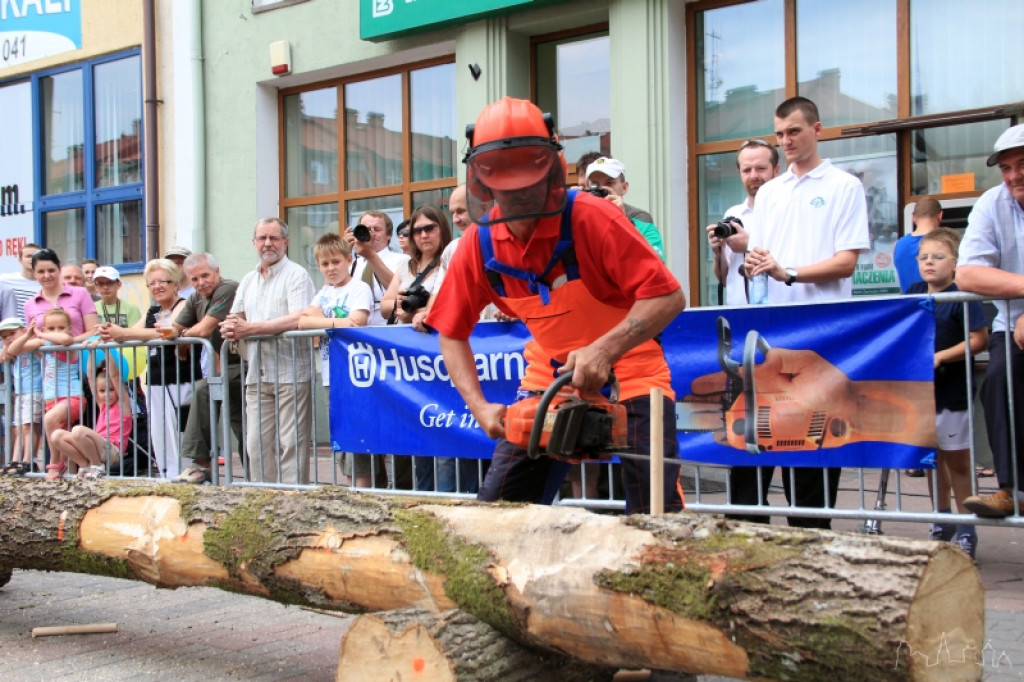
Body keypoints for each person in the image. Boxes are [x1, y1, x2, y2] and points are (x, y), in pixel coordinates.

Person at [427, 96, 685, 515]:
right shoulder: (479, 243)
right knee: (497, 513)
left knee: (656, 511)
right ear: (483, 184)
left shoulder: (592, 217)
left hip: (634, 372)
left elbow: (668, 296)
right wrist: (479, 406)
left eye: (528, 186)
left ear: (550, 170)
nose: (519, 199)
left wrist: (604, 350)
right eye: (507, 188)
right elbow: (451, 332)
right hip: (547, 380)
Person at [742, 96, 870, 529]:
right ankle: (752, 537)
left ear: (817, 129)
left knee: (813, 441)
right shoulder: (769, 192)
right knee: (764, 435)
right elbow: (759, 261)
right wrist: (754, 266)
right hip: (773, 332)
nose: (786, 140)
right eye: (780, 134)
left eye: (794, 131)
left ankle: (812, 537)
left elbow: (846, 262)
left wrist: (788, 272)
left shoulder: (843, 186)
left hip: (823, 331)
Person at [905, 227, 987, 558]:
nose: (929, 262)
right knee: (932, 459)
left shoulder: (962, 295)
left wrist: (941, 356)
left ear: (955, 263)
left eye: (937, 257)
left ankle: (967, 527)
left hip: (952, 393)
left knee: (957, 461)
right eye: (923, 257)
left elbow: (978, 339)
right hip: (922, 394)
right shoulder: (913, 291)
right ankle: (941, 519)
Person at [957, 123, 1024, 519]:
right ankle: (1011, 488)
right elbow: (968, 274)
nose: (1014, 175)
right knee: (998, 381)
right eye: (1006, 167)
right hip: (1011, 326)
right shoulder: (991, 203)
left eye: (1022, 164)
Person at [221, 217, 316, 485]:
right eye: (262, 238)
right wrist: (230, 327)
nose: (267, 243)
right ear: (253, 243)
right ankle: (264, 499)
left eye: (273, 238)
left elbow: (299, 318)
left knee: (292, 445)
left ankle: (293, 500)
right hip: (257, 373)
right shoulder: (249, 279)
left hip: (291, 372)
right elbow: (236, 316)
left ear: (285, 242)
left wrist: (250, 329)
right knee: (256, 445)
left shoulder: (297, 275)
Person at [100, 259, 200, 480]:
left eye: (163, 281)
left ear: (175, 284)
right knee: (160, 432)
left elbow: (166, 332)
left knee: (180, 431)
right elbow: (130, 334)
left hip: (180, 378)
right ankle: (166, 476)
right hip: (155, 379)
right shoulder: (152, 311)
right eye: (152, 283)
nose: (157, 287)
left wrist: (123, 333)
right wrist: (105, 334)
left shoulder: (183, 306)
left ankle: (184, 475)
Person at [382, 204, 452, 492]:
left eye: (430, 228)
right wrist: (401, 304)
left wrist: (423, 311)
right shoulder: (405, 266)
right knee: (419, 438)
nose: (424, 235)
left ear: (442, 229)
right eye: (417, 230)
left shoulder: (448, 261)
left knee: (445, 435)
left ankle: (447, 500)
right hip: (412, 363)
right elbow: (386, 305)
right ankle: (423, 499)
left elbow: (446, 302)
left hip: (442, 357)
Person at [298, 233, 373, 486]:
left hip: (353, 373)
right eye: (325, 264)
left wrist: (322, 321)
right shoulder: (322, 293)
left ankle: (363, 490)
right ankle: (352, 488)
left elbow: (357, 322)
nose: (331, 268)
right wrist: (338, 322)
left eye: (336, 262)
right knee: (340, 435)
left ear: (348, 260)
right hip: (331, 373)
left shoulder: (359, 288)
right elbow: (303, 322)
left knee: (356, 435)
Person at [173, 252, 245, 485]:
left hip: (245, 363)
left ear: (217, 272)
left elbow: (203, 329)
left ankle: (201, 464)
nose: (201, 282)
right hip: (225, 367)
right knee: (240, 422)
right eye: (194, 279)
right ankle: (253, 476)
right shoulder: (196, 298)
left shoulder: (227, 288)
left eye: (205, 275)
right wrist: (121, 334)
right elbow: (172, 328)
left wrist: (183, 335)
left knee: (205, 390)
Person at [6, 309, 83, 480]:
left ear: (69, 329)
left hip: (72, 397)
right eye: (52, 328)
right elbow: (13, 350)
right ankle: (72, 472)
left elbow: (65, 339)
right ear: (46, 329)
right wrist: (28, 335)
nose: (57, 332)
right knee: (62, 437)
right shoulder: (44, 345)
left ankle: (53, 464)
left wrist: (41, 334)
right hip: (51, 400)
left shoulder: (68, 345)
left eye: (61, 327)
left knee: (49, 420)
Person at [706, 138, 781, 306]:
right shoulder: (733, 214)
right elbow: (726, 279)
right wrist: (718, 252)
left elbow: (792, 268)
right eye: (747, 170)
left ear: (776, 170)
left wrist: (748, 245)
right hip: (738, 312)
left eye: (761, 168)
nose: (754, 176)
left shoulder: (786, 212)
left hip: (776, 312)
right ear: (739, 173)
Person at [49, 361, 132, 479]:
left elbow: (115, 376)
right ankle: (84, 465)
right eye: (102, 391)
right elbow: (90, 378)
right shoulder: (102, 405)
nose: (106, 395)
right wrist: (91, 351)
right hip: (95, 448)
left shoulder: (122, 405)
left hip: (113, 452)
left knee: (78, 431)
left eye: (111, 390)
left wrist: (106, 352)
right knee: (56, 436)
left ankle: (97, 465)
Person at [584, 157, 665, 261]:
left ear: (624, 187)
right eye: (595, 185)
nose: (602, 189)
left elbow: (654, 264)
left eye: (609, 183)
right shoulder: (582, 220)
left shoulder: (641, 222)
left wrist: (622, 221)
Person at [344, 210, 410, 327]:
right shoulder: (351, 264)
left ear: (389, 235)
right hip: (355, 330)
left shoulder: (402, 260)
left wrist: (370, 255)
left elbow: (400, 290)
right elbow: (332, 290)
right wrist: (342, 253)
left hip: (386, 329)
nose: (371, 234)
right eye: (366, 229)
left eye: (377, 229)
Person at [24, 248, 98, 344]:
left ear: (59, 270)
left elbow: (93, 331)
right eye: (41, 271)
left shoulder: (81, 293)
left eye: (51, 270)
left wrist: (69, 342)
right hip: (47, 354)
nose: (47, 275)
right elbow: (32, 339)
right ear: (34, 274)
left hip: (79, 353)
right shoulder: (30, 304)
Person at [0, 317, 43, 475]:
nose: (8, 338)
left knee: (28, 426)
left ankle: (28, 460)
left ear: (24, 330)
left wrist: (25, 337)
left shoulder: (31, 343)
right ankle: (15, 460)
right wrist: (7, 345)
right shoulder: (15, 347)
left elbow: (15, 350)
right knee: (19, 428)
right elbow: (3, 357)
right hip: (21, 392)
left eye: (12, 333)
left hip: (34, 390)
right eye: (4, 337)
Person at [893, 197, 943, 293]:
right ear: (940, 215)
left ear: (913, 217)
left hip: (909, 302)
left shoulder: (897, 245)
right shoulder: (944, 243)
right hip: (936, 301)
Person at [0, 242, 39, 315]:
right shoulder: (4, 280)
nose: (32, 259)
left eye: (36, 256)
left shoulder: (45, 284)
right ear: (20, 260)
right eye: (28, 256)